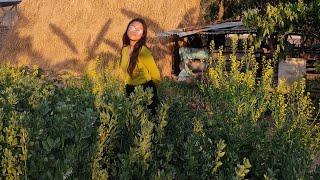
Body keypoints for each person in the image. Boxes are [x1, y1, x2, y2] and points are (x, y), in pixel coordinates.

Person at [120, 18, 161, 115]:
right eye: (132, 27)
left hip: (145, 89)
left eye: (138, 29)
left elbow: (156, 75)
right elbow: (123, 70)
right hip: (130, 90)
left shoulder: (144, 51)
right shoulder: (125, 50)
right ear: (127, 30)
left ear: (143, 34)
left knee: (149, 124)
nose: (134, 31)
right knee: (133, 123)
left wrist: (151, 92)